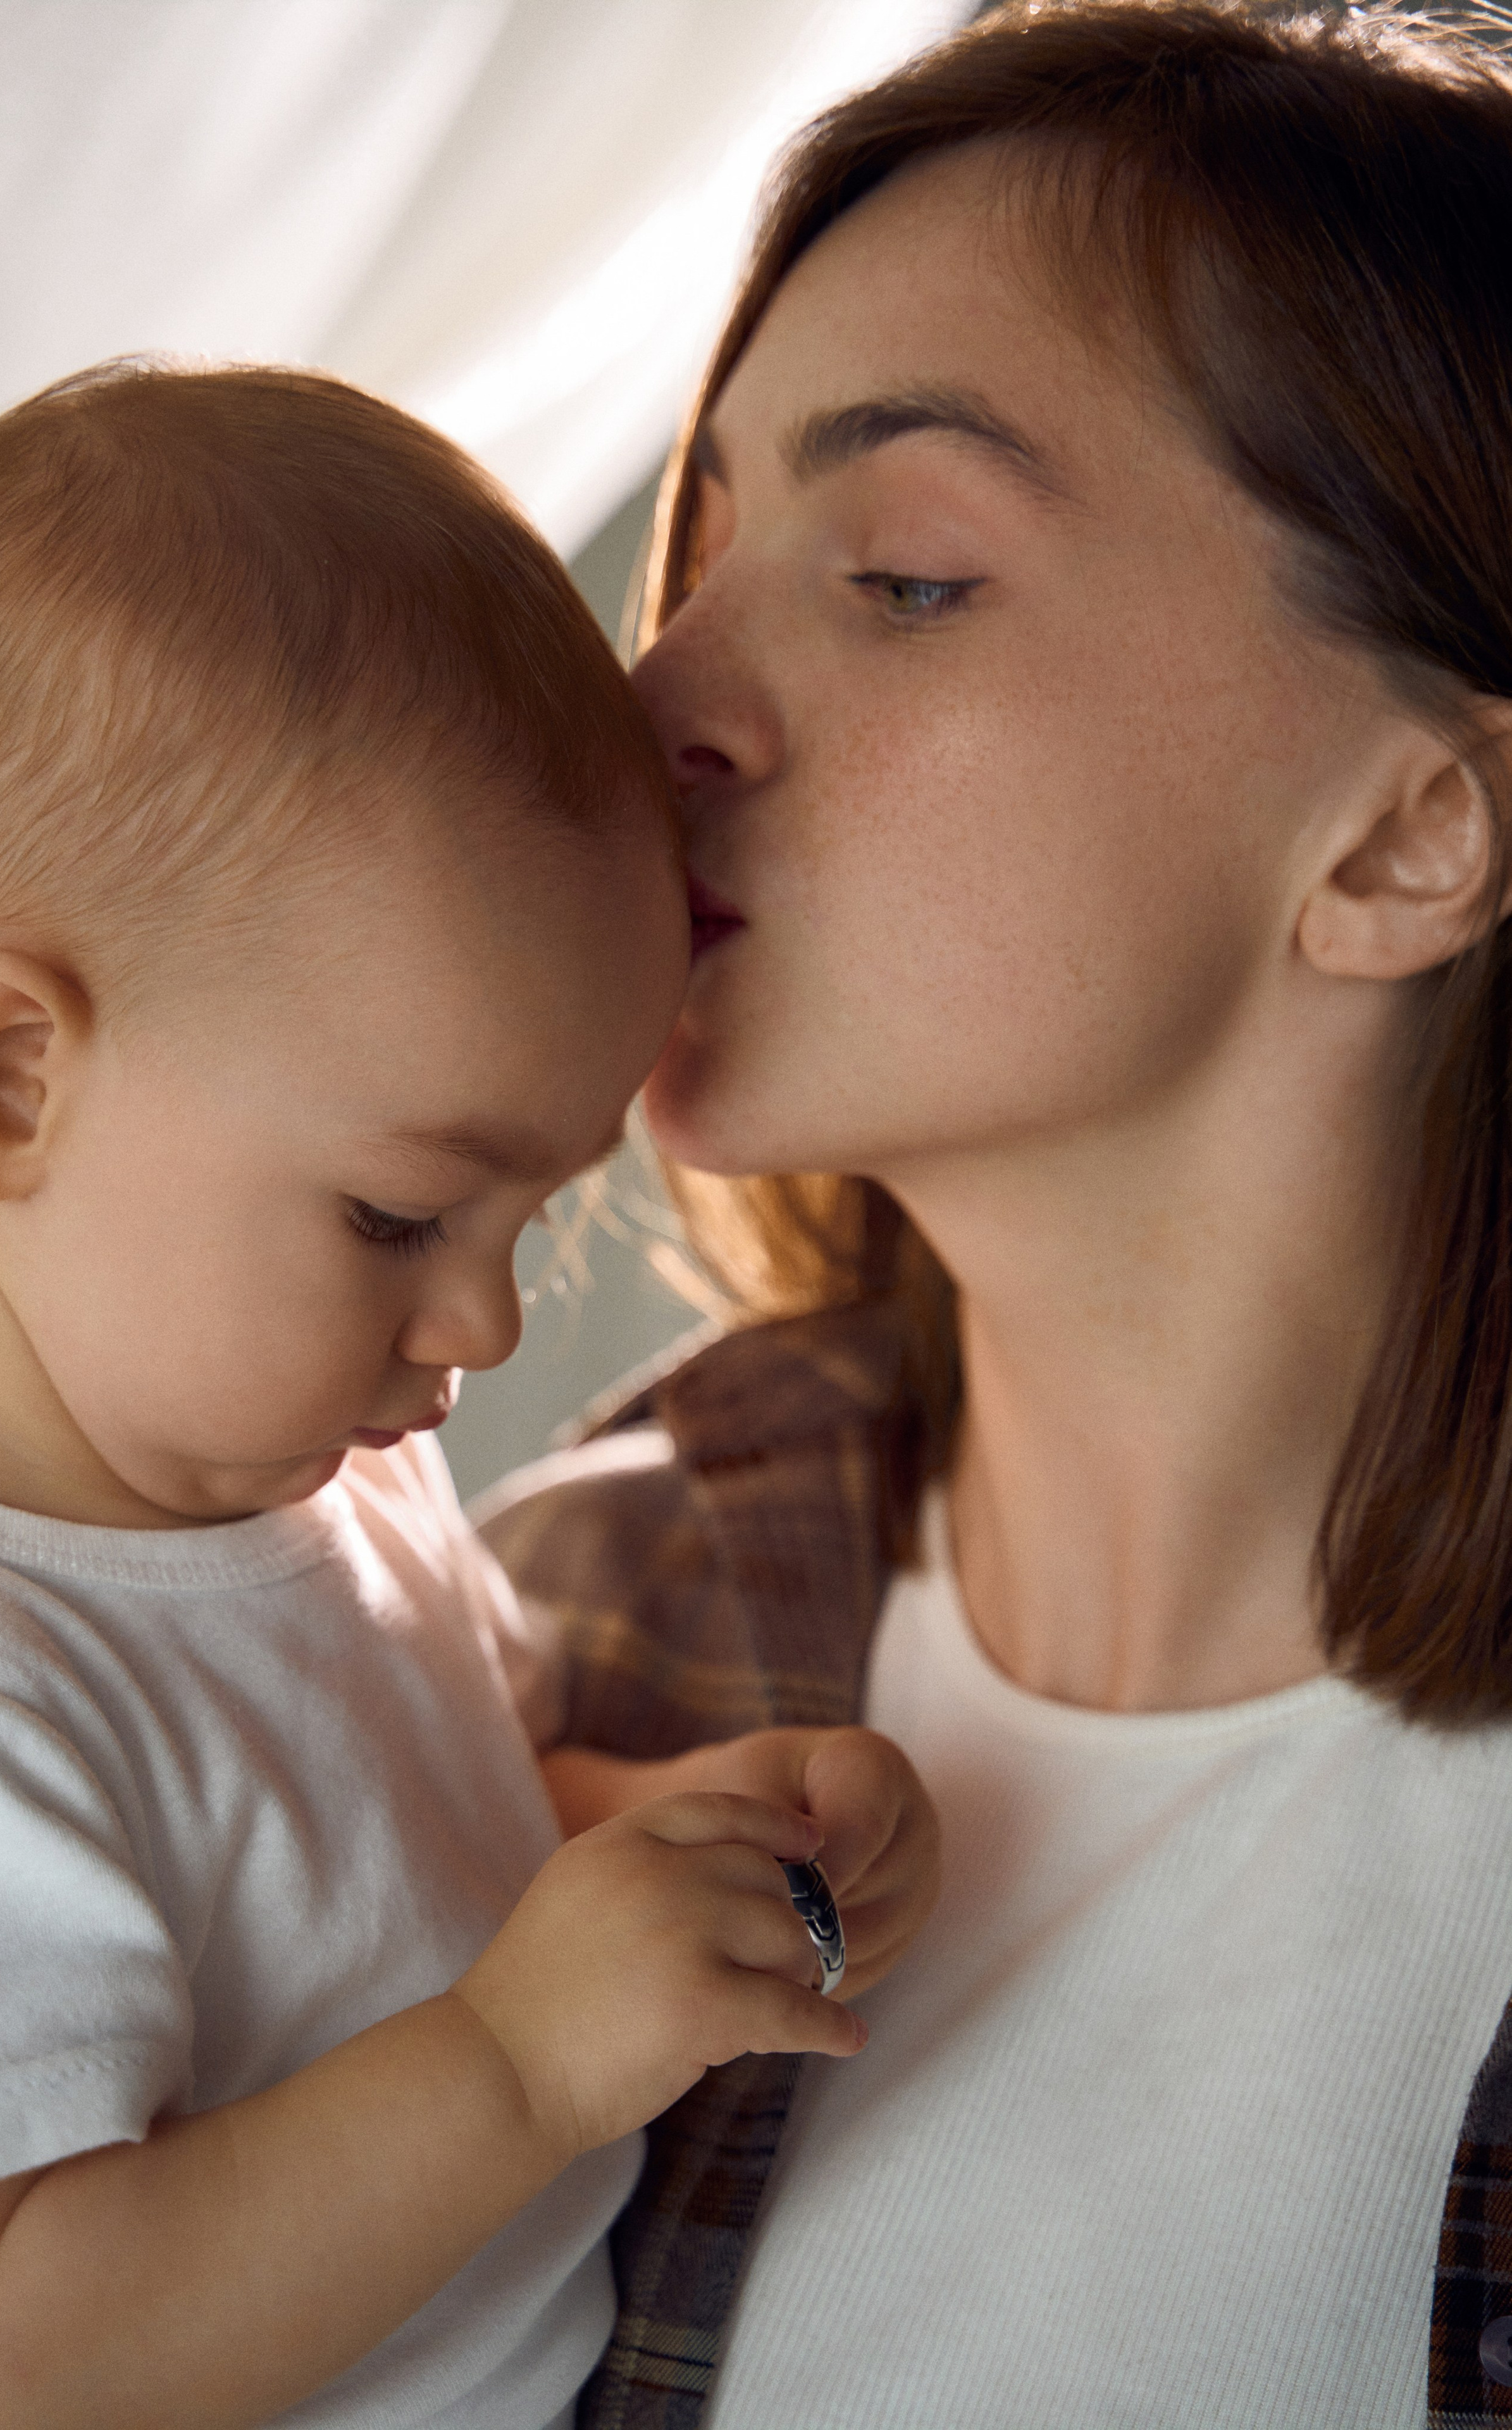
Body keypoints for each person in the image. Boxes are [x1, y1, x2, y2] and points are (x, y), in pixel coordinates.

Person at [476, 4, 1512, 2424]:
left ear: (1411, 837)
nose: (650, 702)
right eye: (698, 553)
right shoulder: (542, 1644)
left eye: (907, 574)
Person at [0, 363, 940, 2430]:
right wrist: (520, 2067)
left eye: (532, 1224)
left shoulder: (295, 1480)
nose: (475, 1327)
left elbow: (382, 1873)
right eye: (398, 1218)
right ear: (7, 1081)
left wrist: (674, 1858)